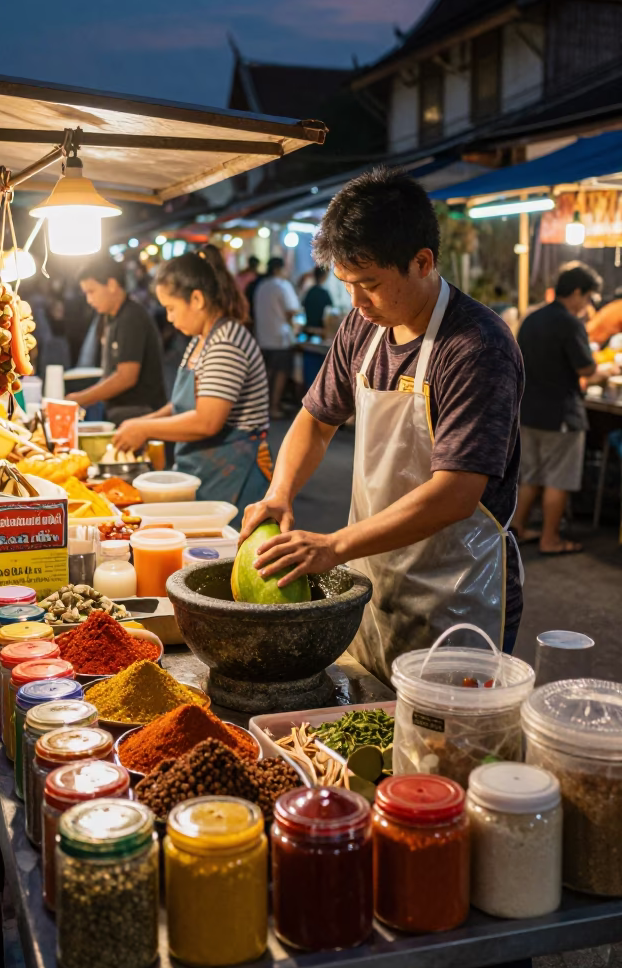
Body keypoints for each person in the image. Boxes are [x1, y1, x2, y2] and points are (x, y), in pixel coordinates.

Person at [240, 167, 525, 685]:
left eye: (369, 285)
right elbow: (316, 419)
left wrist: (332, 547)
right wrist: (280, 492)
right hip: (373, 577)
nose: (356, 302)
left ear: (422, 262)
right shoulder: (363, 327)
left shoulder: (477, 346)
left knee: (443, 751)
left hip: (457, 591)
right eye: (347, 285)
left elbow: (456, 493)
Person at [112, 246, 272, 515]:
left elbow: (207, 421)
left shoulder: (226, 343)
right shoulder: (200, 341)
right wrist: (140, 424)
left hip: (235, 475)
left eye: (171, 308)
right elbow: (180, 407)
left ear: (196, 299)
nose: (170, 319)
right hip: (205, 471)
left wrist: (144, 429)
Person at [512, 261, 609, 555]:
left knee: (530, 475)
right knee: (558, 479)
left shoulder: (532, 318)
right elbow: (587, 369)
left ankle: (518, 528)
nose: (588, 305)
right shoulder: (569, 323)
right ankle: (550, 539)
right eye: (589, 298)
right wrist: (606, 369)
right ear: (577, 292)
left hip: (527, 411)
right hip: (560, 415)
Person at [66, 257, 166, 425]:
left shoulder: (131, 317)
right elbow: (110, 373)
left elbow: (126, 377)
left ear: (112, 285)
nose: (89, 300)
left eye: (91, 291)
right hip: (120, 413)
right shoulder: (111, 318)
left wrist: (80, 399)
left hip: (140, 415)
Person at [254, 257, 301, 419]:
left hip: (263, 336)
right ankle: (274, 407)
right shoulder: (282, 285)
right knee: (281, 372)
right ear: (278, 269)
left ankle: (261, 407)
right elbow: (292, 310)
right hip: (280, 338)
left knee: (267, 373)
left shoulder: (261, 286)